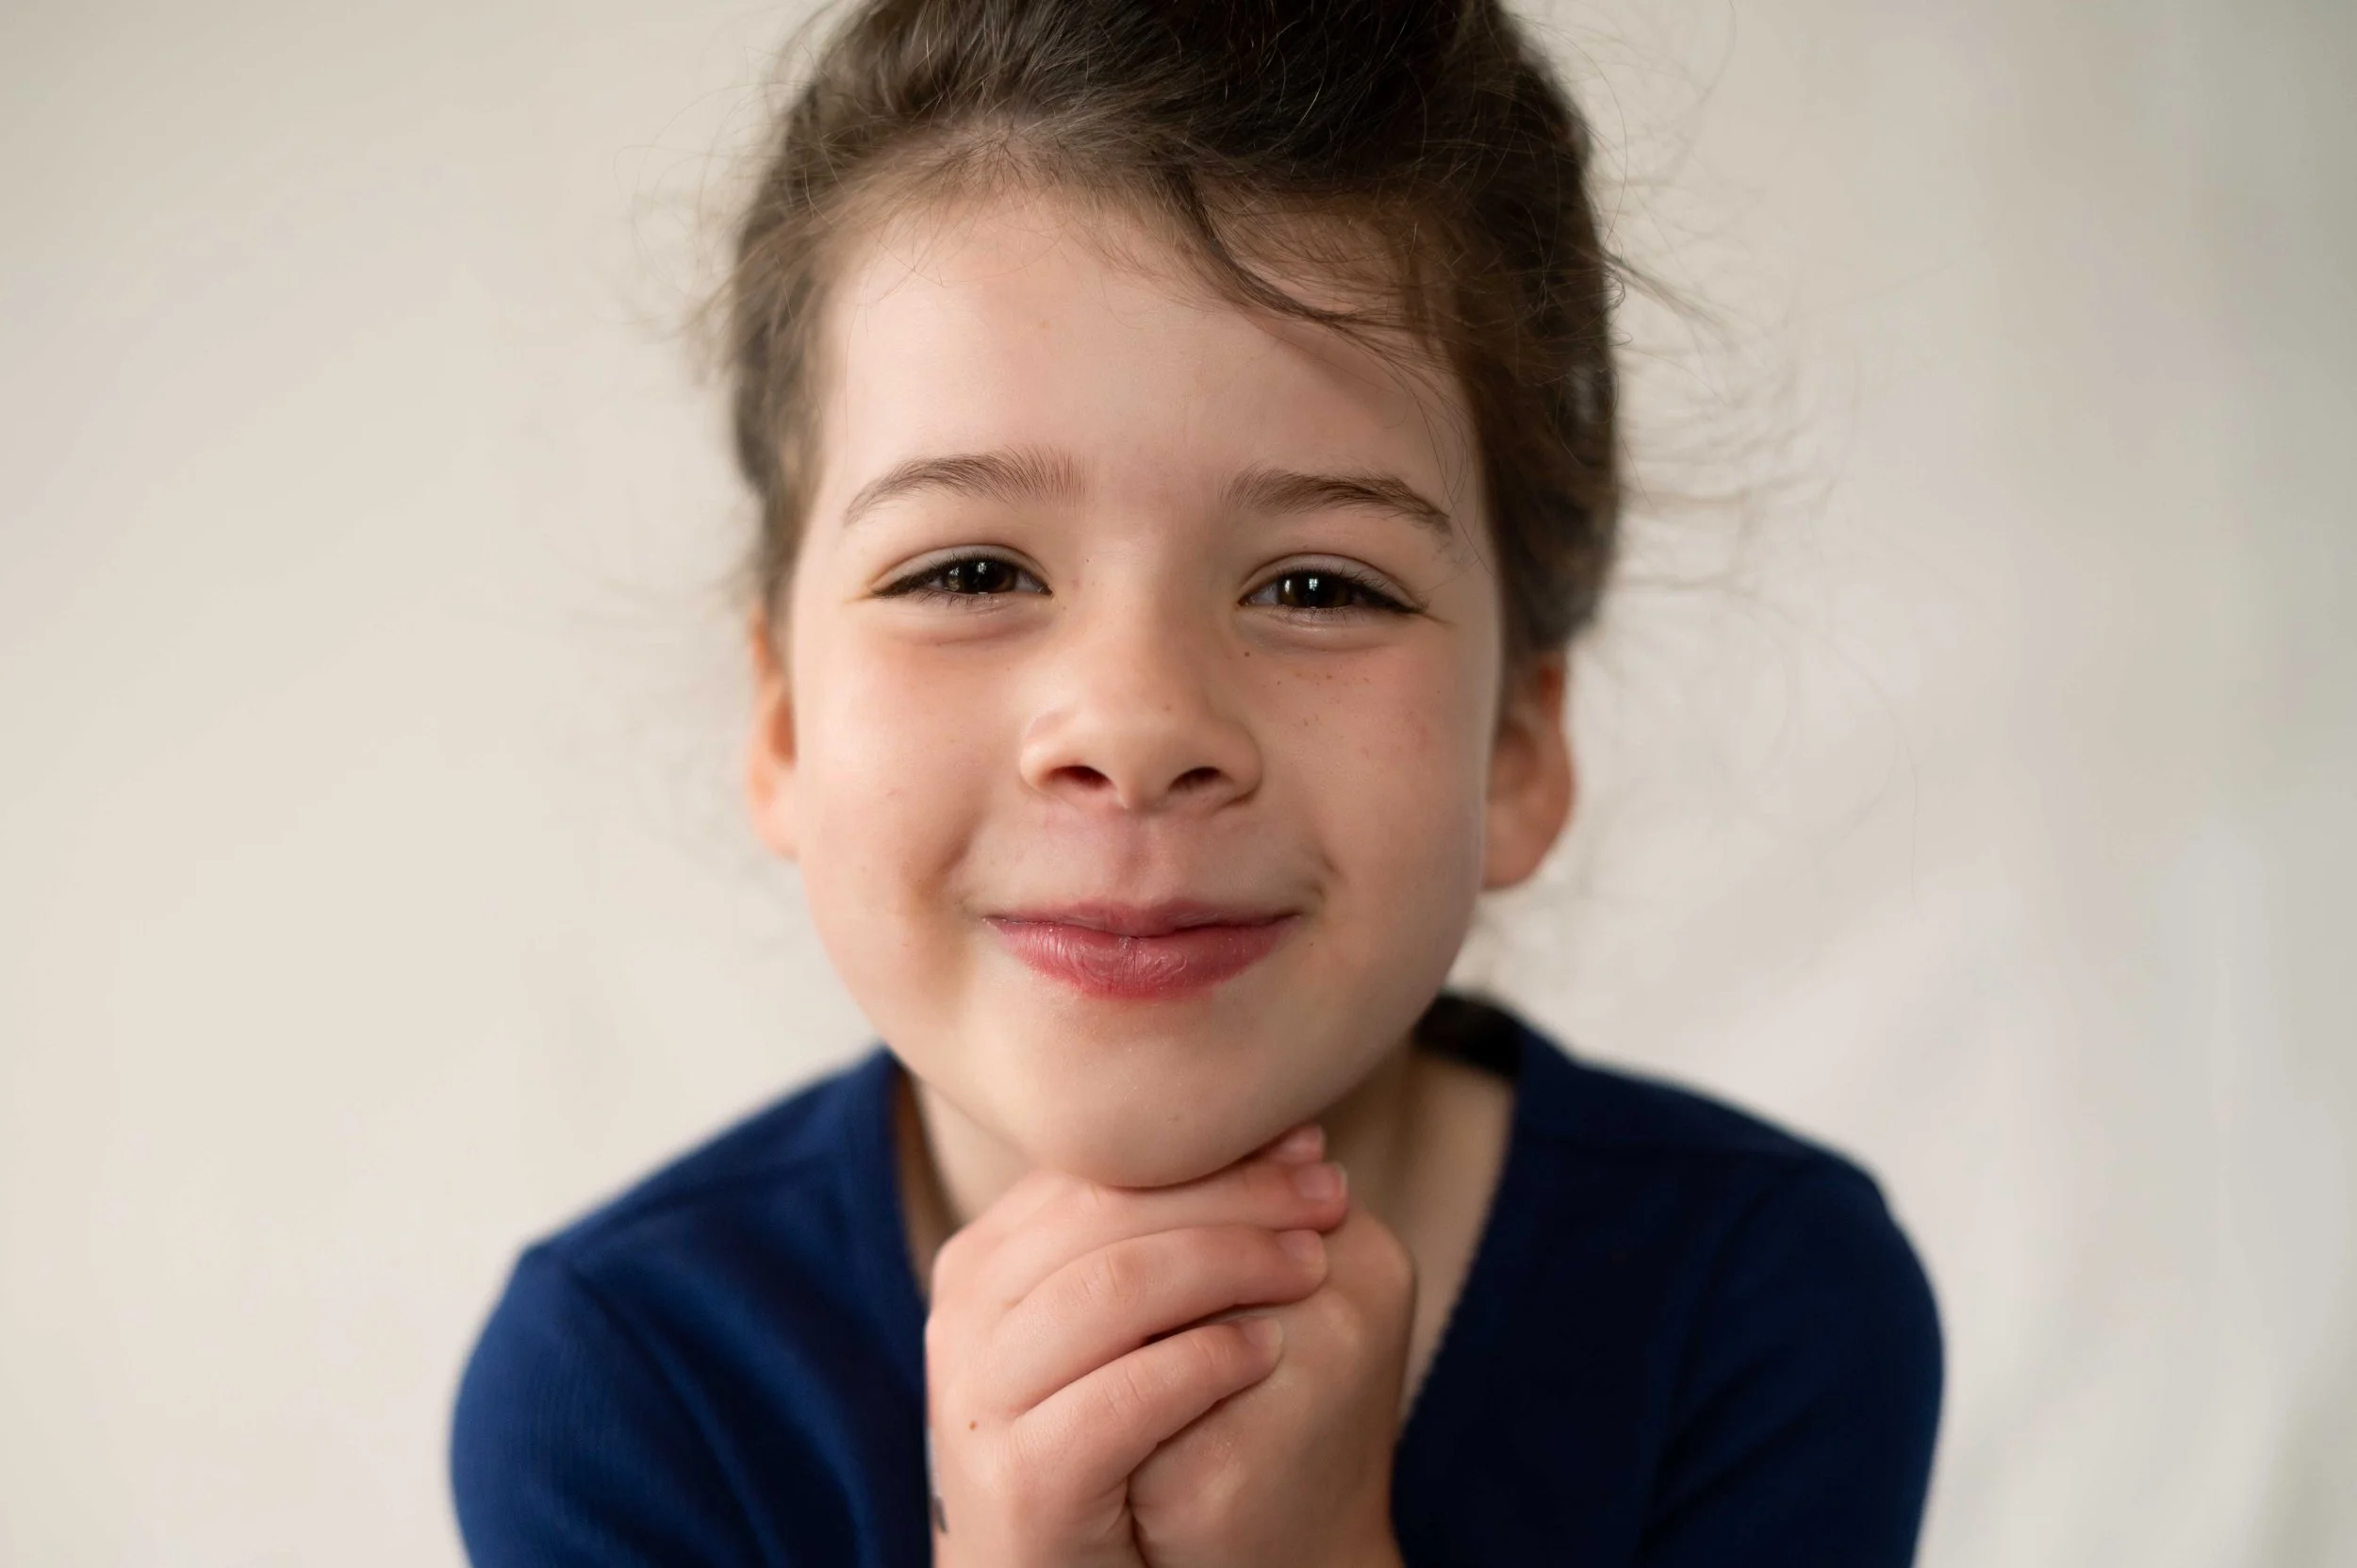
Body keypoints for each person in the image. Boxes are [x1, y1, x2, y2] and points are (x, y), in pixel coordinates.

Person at [449, 0, 1943, 1562]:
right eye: (969, 566)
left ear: (1517, 744)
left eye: (1318, 587)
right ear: (781, 724)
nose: (1138, 721)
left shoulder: (1762, 1302)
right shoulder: (624, 1387)